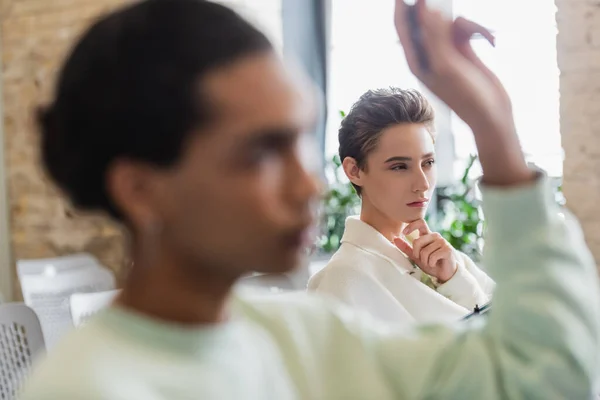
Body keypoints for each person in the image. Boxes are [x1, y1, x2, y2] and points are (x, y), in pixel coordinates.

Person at [19, 0, 600, 399]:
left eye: (300, 141)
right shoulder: (88, 388)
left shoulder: (297, 332)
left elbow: (546, 379)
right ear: (142, 189)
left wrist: (492, 123)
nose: (309, 186)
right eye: (260, 154)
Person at [308, 88, 495, 325]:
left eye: (428, 163)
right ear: (354, 170)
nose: (423, 184)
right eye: (399, 167)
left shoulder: (445, 259)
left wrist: (453, 280)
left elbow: (519, 332)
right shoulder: (343, 281)